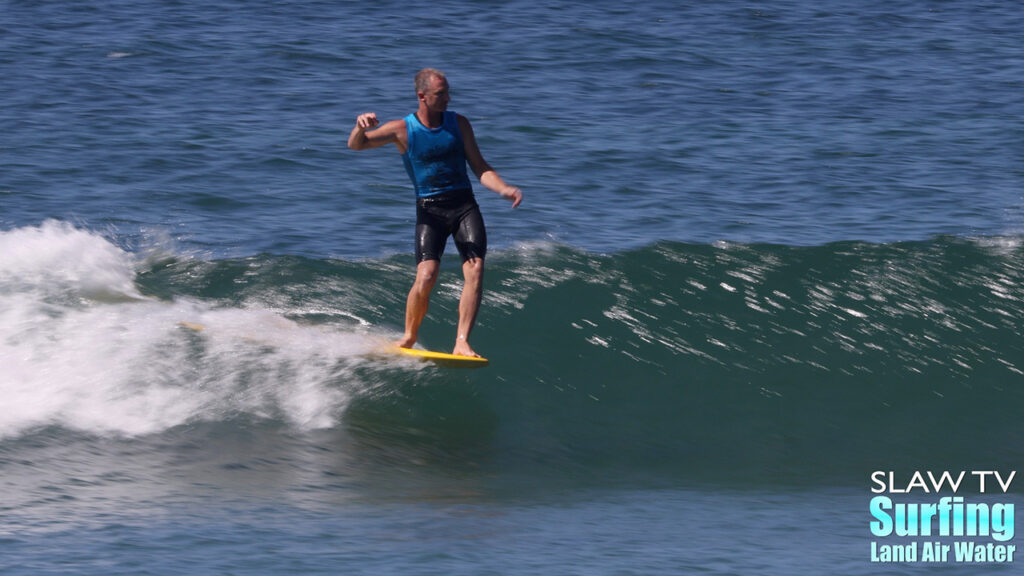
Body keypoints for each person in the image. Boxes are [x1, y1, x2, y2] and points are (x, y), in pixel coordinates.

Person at [348, 68, 523, 357]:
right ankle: (408, 336)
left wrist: (503, 189)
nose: (447, 99)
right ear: (422, 96)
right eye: (441, 94)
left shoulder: (459, 124)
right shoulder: (402, 129)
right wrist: (359, 126)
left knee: (475, 269)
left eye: (448, 92)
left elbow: (480, 167)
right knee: (427, 275)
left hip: (464, 206)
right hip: (430, 209)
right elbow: (356, 145)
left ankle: (462, 341)